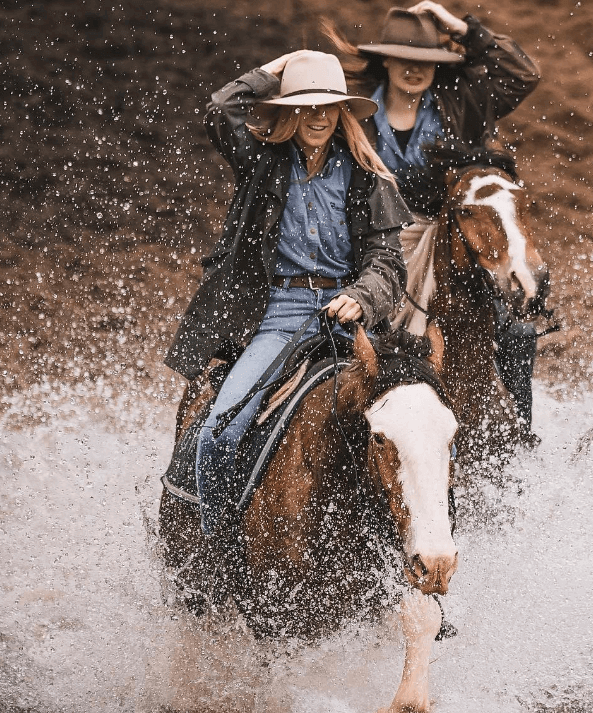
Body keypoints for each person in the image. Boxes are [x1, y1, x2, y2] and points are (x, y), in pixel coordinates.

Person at [164, 50, 410, 534]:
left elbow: (388, 264)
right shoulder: (261, 160)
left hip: (352, 313)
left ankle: (422, 551)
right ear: (288, 110)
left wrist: (362, 297)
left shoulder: (368, 174)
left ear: (341, 109)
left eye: (327, 105)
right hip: (281, 314)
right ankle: (221, 547)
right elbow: (220, 108)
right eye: (305, 104)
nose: (318, 116)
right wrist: (277, 68)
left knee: (428, 426)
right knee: (217, 434)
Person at [324, 2, 541, 444]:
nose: (415, 70)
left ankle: (519, 434)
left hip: (443, 238)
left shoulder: (460, 102)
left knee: (517, 332)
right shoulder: (354, 113)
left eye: (426, 61)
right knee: (338, 326)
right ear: (385, 59)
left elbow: (523, 75)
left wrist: (466, 29)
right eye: (405, 59)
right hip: (370, 241)